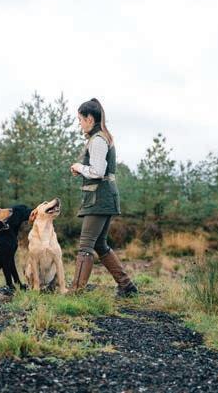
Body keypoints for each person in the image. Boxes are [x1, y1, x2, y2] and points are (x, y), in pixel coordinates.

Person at [70, 98, 138, 297]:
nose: (80, 124)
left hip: (99, 199)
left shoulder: (98, 140)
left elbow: (98, 172)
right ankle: (127, 286)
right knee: (100, 244)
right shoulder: (100, 137)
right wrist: (82, 170)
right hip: (103, 197)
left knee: (86, 245)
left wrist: (78, 166)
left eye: (80, 119)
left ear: (90, 119)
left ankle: (76, 292)